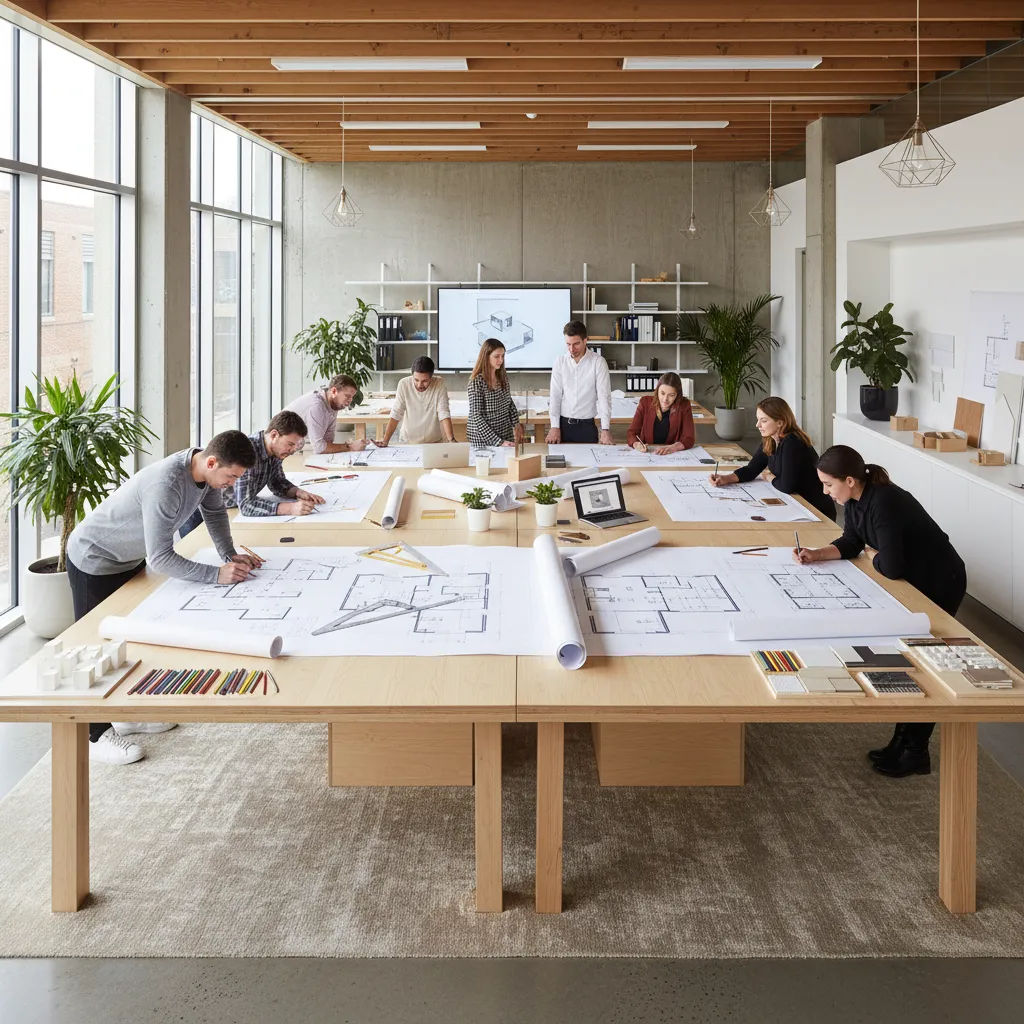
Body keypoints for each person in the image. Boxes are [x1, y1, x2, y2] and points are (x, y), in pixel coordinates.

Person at [65, 430, 261, 766]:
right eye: (230, 476)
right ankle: (93, 735)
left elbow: (214, 515)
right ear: (212, 462)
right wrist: (215, 574)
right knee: (94, 651)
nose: (231, 484)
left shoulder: (207, 477)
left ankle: (126, 717)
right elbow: (161, 558)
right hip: (94, 559)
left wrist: (229, 555)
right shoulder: (167, 484)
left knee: (129, 641)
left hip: (126, 559)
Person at [794, 444, 967, 778]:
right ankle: (901, 742)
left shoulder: (884, 502)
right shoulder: (857, 500)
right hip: (916, 579)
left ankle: (915, 751)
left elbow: (891, 564)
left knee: (922, 659)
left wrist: (874, 557)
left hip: (940, 579)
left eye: (828, 484)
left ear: (849, 479)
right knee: (909, 656)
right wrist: (816, 554)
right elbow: (851, 542)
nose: (824, 490)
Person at [709, 396, 836, 521]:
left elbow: (787, 486)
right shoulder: (770, 439)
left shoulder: (792, 442)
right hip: (795, 503)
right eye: (758, 419)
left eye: (763, 421)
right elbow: (752, 469)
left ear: (780, 422)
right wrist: (726, 478)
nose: (757, 425)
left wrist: (770, 477)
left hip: (814, 510)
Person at [228, 410, 326, 518]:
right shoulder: (247, 452)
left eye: (295, 446)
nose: (292, 450)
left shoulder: (276, 450)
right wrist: (291, 508)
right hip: (222, 510)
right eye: (290, 444)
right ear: (274, 435)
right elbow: (246, 505)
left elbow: (276, 482)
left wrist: (298, 492)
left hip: (235, 510)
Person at [545, 320, 613, 446]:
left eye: (576, 344)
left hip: (586, 427)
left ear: (585, 340)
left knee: (589, 465)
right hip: (563, 426)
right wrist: (554, 426)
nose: (571, 349)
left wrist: (605, 429)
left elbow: (604, 396)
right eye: (568, 344)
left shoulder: (598, 362)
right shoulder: (560, 362)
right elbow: (555, 396)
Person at [378, 355, 455, 446]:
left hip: (433, 442)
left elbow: (444, 412)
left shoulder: (439, 383)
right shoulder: (404, 384)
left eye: (425, 381)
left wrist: (451, 440)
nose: (420, 385)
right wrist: (385, 440)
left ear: (431, 377)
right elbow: (396, 413)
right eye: (416, 380)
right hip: (407, 442)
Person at [282, 374, 367, 455]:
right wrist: (350, 447)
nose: (350, 400)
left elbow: (327, 441)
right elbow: (319, 448)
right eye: (347, 396)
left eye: (352, 397)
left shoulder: (333, 404)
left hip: (297, 448)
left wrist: (347, 447)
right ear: (334, 391)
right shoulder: (316, 406)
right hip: (282, 450)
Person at [467, 338, 524, 448]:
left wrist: (516, 423)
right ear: (486, 356)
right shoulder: (476, 381)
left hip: (504, 433)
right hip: (483, 438)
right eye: (496, 356)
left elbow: (509, 402)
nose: (500, 360)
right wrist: (498, 442)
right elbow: (477, 416)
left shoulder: (502, 376)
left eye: (502, 356)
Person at [626, 372, 696, 454]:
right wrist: (636, 444)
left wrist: (673, 448)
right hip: (648, 453)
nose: (665, 399)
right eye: (662, 393)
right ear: (657, 391)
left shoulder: (684, 405)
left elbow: (689, 438)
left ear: (677, 395)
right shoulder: (645, 402)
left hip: (672, 456)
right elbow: (631, 433)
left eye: (671, 395)